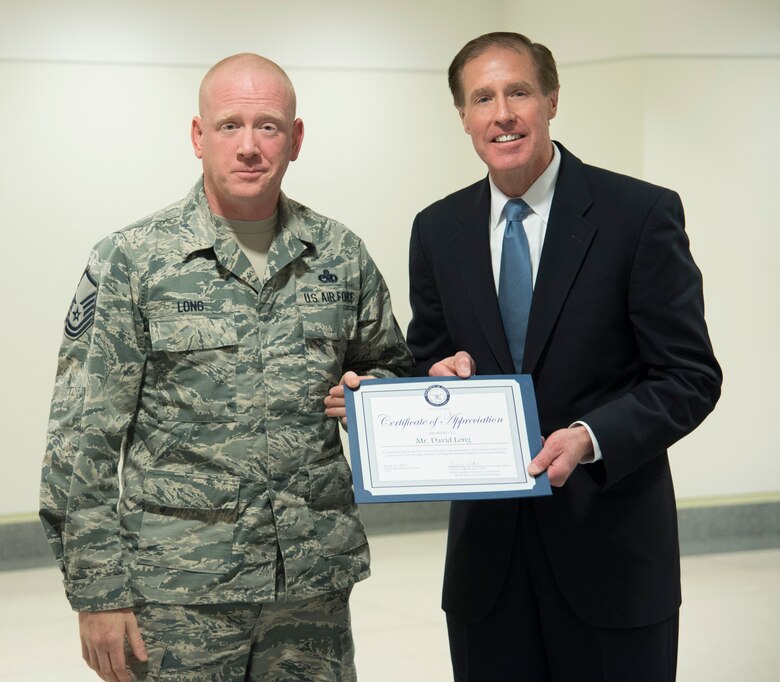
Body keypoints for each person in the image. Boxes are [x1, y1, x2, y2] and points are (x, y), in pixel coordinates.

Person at [39, 53, 413, 682]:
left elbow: (389, 369)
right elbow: (82, 441)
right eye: (229, 125)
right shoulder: (135, 260)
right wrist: (98, 592)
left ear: (295, 139)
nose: (248, 147)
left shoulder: (340, 256)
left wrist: (370, 395)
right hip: (180, 592)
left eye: (267, 126)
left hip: (310, 588)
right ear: (197, 136)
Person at [406, 32, 722, 681]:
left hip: (612, 562)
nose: (503, 113)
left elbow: (690, 377)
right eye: (483, 98)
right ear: (463, 117)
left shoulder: (638, 214)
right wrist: (430, 379)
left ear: (551, 99)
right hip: (485, 575)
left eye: (518, 91)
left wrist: (588, 437)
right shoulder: (438, 230)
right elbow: (428, 357)